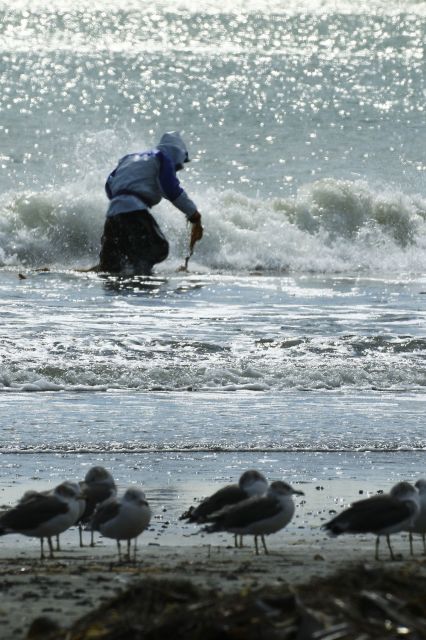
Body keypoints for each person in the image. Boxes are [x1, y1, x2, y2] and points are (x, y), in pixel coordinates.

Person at [99, 131, 203, 275]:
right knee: (158, 248)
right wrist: (193, 214)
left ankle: (122, 284)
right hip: (134, 212)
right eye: (178, 166)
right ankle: (141, 276)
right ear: (176, 154)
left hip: (113, 214)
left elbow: (109, 184)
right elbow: (172, 189)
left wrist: (121, 202)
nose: (177, 169)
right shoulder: (162, 158)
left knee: (110, 265)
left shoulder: (130, 158)